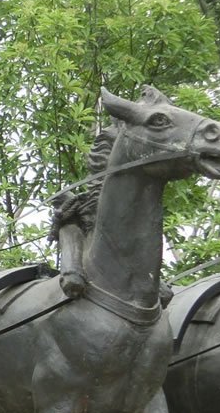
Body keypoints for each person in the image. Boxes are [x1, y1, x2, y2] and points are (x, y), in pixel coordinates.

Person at [50, 128, 172, 307]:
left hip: (128, 266)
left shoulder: (138, 200)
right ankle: (71, 269)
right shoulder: (97, 193)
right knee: (71, 221)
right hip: (92, 247)